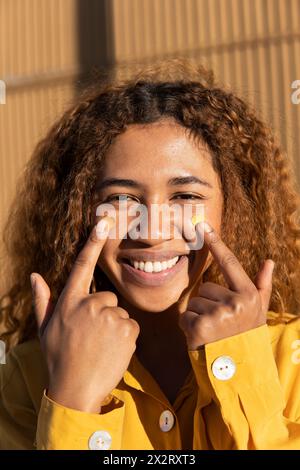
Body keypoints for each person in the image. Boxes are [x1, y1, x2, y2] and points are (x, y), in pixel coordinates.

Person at [1, 59, 300, 450]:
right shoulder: (26, 377)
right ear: (78, 213)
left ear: (235, 208)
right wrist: (72, 399)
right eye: (121, 198)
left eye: (185, 196)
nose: (152, 231)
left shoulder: (290, 357)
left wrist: (238, 367)